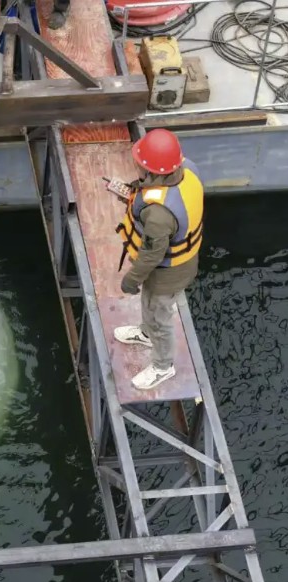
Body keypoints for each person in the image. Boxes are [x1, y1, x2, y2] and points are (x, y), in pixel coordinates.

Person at [113, 128, 204, 390]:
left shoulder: (159, 214)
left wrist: (132, 278)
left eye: (140, 163)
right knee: (151, 305)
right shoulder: (188, 170)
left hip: (168, 273)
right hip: (176, 263)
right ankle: (145, 332)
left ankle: (163, 366)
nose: (137, 165)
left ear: (151, 170)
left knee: (160, 316)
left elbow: (152, 254)